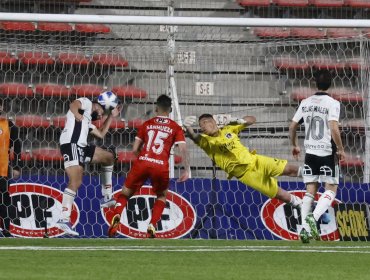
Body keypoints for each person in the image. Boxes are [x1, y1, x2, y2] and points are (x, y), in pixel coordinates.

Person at [108, 94, 190, 238]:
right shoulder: (175, 127)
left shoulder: (146, 124)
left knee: (125, 194)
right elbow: (183, 148)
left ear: (156, 108)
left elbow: (134, 149)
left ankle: (116, 216)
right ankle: (152, 225)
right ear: (170, 109)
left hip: (143, 162)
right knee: (161, 196)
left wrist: (144, 159)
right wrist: (187, 169)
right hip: (161, 166)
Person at [183, 113, 303, 211]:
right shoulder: (205, 141)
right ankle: (302, 204)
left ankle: (314, 174)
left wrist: (240, 120)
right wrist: (187, 126)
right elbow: (193, 136)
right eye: (200, 125)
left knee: (290, 169)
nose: (202, 127)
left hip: (255, 161)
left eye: (204, 123)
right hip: (246, 175)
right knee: (280, 194)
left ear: (213, 122)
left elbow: (252, 119)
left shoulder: (229, 128)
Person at [289, 69, 346, 243]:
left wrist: (294, 145)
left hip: (310, 153)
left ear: (315, 83)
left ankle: (304, 231)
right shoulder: (332, 103)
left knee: (310, 192)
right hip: (327, 153)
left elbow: (292, 126)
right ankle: (313, 218)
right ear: (331, 83)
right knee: (331, 189)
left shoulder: (305, 102)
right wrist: (341, 149)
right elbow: (334, 128)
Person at [56, 95, 122, 236]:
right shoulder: (86, 103)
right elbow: (73, 104)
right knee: (76, 181)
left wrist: (111, 116)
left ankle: (106, 196)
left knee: (109, 157)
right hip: (71, 144)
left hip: (82, 147)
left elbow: (101, 134)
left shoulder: (88, 121)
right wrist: (77, 115)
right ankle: (63, 218)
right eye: (102, 112)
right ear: (99, 105)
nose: (101, 116)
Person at [0, 99, 22, 237]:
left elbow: (17, 145)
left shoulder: (8, 124)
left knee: (4, 199)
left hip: (3, 168)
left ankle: (6, 229)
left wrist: (17, 166)